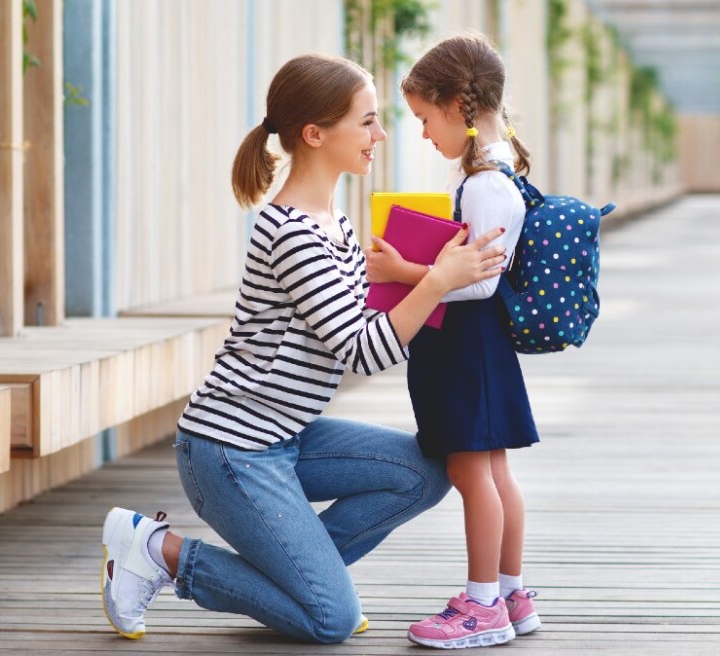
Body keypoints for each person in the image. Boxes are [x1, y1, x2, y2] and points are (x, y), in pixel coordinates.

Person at [99, 53, 508, 645]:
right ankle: (159, 552)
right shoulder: (292, 233)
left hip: (287, 435)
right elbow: (363, 351)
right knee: (329, 620)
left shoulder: (334, 223)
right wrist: (438, 279)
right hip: (230, 450)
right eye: (366, 121)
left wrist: (419, 272)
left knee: (425, 471)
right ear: (315, 134)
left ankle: (299, 582)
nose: (381, 134)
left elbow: (361, 318)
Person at [364, 33, 542, 649]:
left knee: (474, 477)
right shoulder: (494, 174)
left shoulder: (484, 184)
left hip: (465, 349)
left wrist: (400, 273)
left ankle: (483, 604)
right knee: (494, 474)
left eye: (423, 118)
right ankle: (510, 593)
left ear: (458, 105)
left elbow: (476, 285)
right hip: (479, 351)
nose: (421, 133)